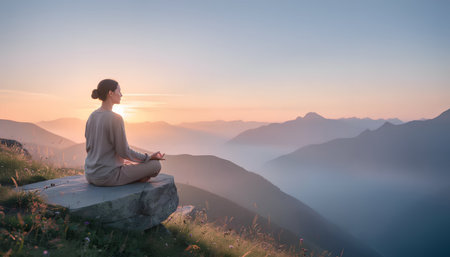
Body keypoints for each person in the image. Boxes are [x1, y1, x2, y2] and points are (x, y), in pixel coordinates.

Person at [84, 79, 165, 186]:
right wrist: (148, 158)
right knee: (155, 165)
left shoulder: (92, 116)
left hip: (90, 175)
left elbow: (88, 148)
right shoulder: (115, 118)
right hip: (107, 176)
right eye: (119, 91)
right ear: (110, 93)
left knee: (130, 162)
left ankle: (135, 176)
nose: (121, 94)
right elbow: (124, 151)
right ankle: (137, 179)